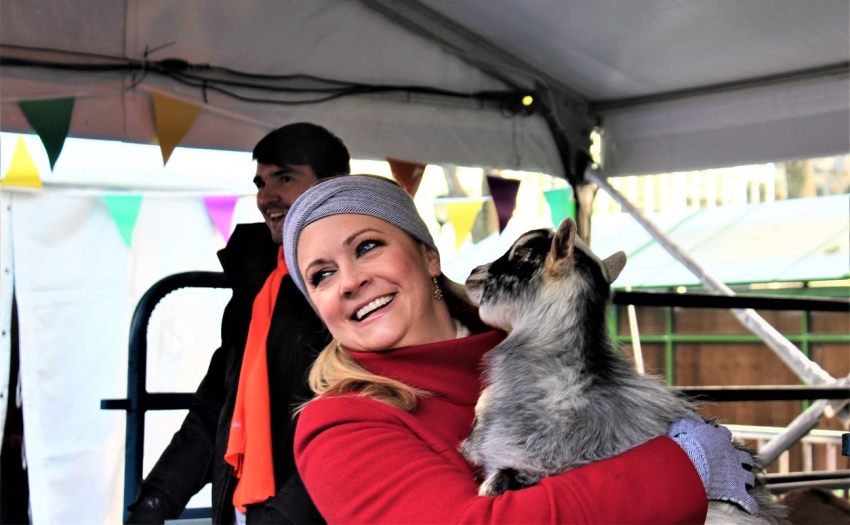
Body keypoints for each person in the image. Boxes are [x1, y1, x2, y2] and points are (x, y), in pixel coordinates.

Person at [281, 174, 761, 524]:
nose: (350, 281)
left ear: (428, 256)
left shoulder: (552, 358)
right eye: (322, 275)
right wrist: (683, 467)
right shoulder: (342, 424)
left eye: (367, 247)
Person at [126, 123, 351, 524]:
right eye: (261, 183)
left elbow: (350, 424)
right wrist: (156, 500)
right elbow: (218, 405)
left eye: (284, 178)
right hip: (245, 507)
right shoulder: (258, 284)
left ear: (333, 185)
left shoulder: (355, 287)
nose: (266, 196)